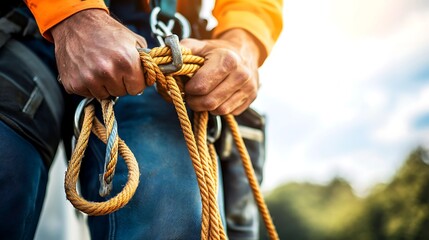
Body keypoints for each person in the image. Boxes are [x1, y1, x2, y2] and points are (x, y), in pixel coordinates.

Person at [0, 0, 282, 239]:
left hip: (153, 40)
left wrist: (243, 40)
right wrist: (72, 11)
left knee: (172, 212)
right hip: (19, 25)